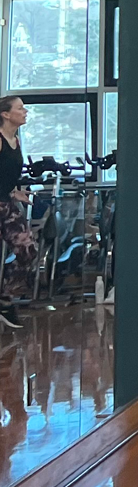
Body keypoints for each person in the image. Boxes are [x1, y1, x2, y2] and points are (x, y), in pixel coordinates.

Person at [0, 97, 32, 329]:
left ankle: (4, 300)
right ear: (6, 114)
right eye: (20, 108)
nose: (25, 111)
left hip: (6, 205)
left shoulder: (16, 141)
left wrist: (13, 192)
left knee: (28, 251)